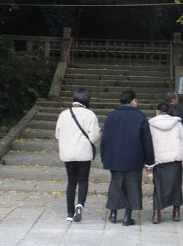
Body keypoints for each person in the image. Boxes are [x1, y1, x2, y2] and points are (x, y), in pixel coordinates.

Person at [100, 90, 155, 226]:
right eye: (136, 100)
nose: (137, 103)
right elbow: (146, 140)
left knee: (116, 184)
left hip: (114, 158)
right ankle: (127, 216)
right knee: (132, 185)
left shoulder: (112, 116)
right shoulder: (140, 117)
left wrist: (104, 157)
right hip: (134, 158)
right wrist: (150, 161)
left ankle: (113, 213)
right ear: (132, 101)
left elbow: (104, 139)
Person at [55, 89, 100, 222]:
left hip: (68, 153)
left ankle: (69, 212)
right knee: (83, 180)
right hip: (84, 153)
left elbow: (57, 134)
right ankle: (79, 205)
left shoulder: (63, 114)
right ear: (86, 100)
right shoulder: (90, 115)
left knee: (71, 182)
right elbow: (94, 136)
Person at [148, 102, 183, 224]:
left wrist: (147, 162)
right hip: (175, 159)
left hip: (159, 160)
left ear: (157, 111)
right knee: (176, 186)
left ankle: (156, 214)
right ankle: (176, 212)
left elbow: (148, 143)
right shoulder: (177, 124)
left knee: (158, 187)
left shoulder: (151, 124)